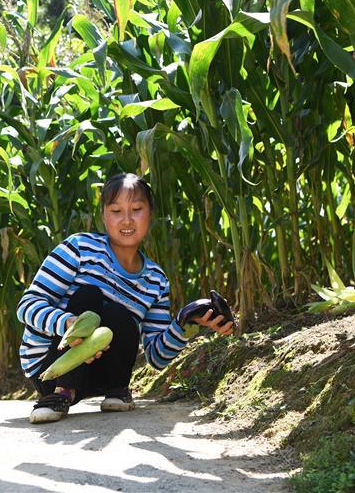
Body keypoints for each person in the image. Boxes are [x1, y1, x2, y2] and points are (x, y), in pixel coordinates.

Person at [16, 173, 234, 424]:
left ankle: (117, 391)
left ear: (150, 213)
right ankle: (61, 393)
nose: (127, 220)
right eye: (116, 210)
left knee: (119, 315)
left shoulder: (155, 279)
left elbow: (157, 356)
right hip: (49, 367)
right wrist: (67, 323)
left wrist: (186, 321)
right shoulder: (79, 248)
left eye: (137, 209)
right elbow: (27, 305)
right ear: (104, 215)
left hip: (99, 374)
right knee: (89, 295)